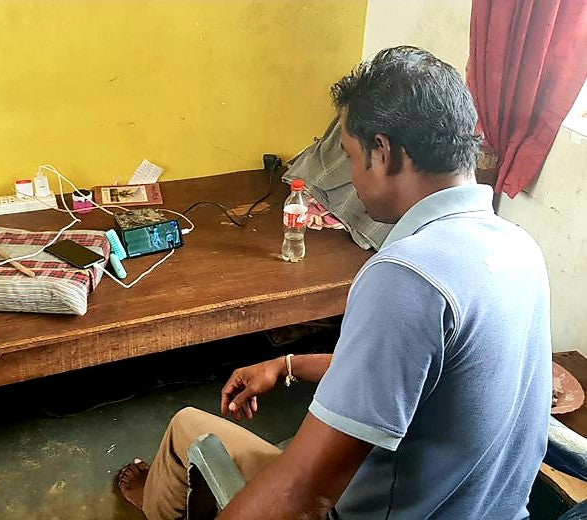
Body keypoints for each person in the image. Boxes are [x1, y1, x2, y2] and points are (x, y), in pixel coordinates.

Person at [116, 46, 551, 519]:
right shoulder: (520, 249)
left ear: (382, 152)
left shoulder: (406, 278)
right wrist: (288, 364)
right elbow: (413, 375)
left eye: (349, 157)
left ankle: (158, 500)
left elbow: (305, 494)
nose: (351, 179)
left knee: (186, 429)